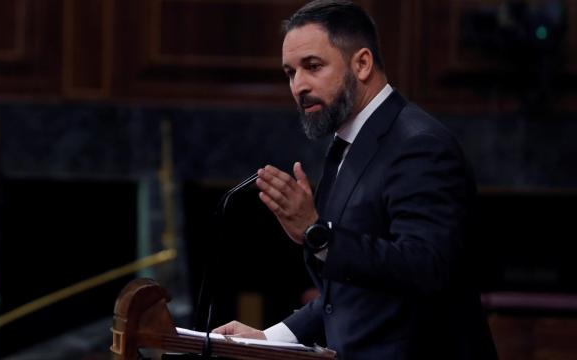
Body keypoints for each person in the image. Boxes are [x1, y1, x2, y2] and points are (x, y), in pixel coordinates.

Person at [213, 1, 498, 358]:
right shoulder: (348, 144)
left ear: (361, 63)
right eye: (290, 73)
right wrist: (270, 338)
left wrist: (316, 234)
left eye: (312, 66)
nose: (298, 86)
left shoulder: (418, 144)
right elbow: (351, 294)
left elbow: (427, 269)